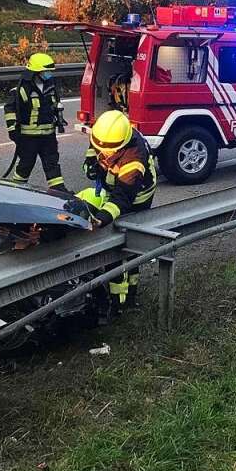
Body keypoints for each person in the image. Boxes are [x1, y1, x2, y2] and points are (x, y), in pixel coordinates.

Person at [72, 110, 157, 316]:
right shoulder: (106, 135)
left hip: (136, 199)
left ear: (121, 145)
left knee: (126, 248)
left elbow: (122, 199)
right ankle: (117, 292)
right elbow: (95, 148)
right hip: (114, 189)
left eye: (110, 151)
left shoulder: (133, 159)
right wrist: (90, 164)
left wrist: (101, 219)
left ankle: (123, 302)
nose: (105, 153)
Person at [3, 52, 68, 192]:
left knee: (52, 164)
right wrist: (13, 131)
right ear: (36, 72)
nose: (48, 74)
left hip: (48, 136)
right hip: (28, 138)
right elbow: (10, 109)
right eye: (46, 71)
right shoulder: (22, 89)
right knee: (25, 165)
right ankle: (16, 191)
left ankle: (59, 192)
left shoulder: (50, 86)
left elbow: (54, 104)